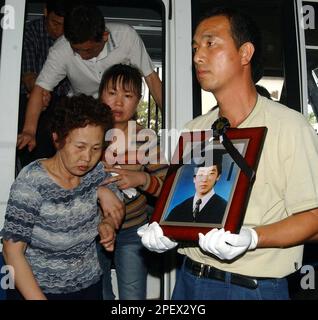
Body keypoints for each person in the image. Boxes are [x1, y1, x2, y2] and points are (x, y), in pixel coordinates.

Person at [138, 7, 318, 300]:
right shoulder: (195, 130)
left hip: (253, 288)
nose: (197, 56)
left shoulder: (289, 126)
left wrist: (253, 238)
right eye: (195, 47)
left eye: (211, 43)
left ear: (245, 53)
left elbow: (314, 218)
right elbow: (184, 203)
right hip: (188, 279)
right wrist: (166, 231)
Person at [1, 95, 125, 300]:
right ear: (57, 139)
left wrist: (108, 223)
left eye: (96, 149)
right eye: (79, 147)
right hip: (38, 288)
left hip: (88, 284)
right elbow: (11, 252)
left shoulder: (96, 173)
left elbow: (116, 206)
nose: (87, 158)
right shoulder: (32, 182)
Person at [17, 4, 162, 155]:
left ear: (104, 36)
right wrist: (29, 131)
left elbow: (151, 79)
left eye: (87, 50)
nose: (81, 55)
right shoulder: (61, 49)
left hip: (117, 116)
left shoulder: (126, 37)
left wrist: (174, 118)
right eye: (76, 50)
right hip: (82, 113)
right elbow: (40, 89)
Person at [97, 63, 167, 300]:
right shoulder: (87, 132)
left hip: (131, 230)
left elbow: (166, 185)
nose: (118, 102)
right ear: (100, 95)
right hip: (89, 230)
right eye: (112, 93)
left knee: (133, 297)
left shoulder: (145, 139)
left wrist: (142, 178)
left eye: (127, 96)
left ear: (138, 101)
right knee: (98, 293)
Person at [18, 0, 73, 168]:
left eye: (65, 25)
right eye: (55, 23)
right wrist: (42, 92)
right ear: (45, 12)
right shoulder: (29, 32)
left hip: (62, 102)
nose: (60, 30)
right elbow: (29, 77)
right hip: (30, 98)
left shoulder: (72, 37)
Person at [166, 159, 227, 224]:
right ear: (194, 178)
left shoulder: (225, 209)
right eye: (201, 174)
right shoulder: (177, 210)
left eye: (211, 173)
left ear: (218, 177)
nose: (204, 179)